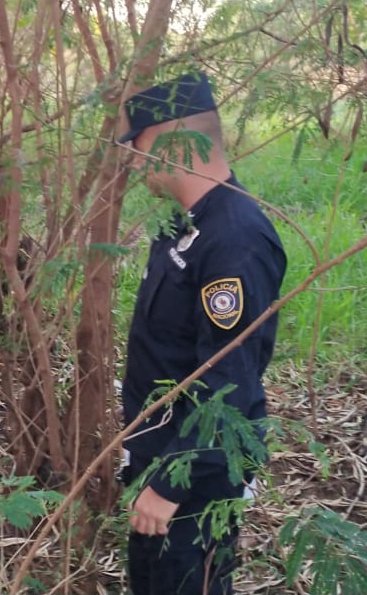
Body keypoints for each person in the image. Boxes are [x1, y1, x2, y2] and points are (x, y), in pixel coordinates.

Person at [116, 72, 287, 595]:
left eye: (139, 145)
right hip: (158, 454)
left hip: (192, 481)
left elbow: (229, 388)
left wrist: (170, 487)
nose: (133, 160)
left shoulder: (235, 240)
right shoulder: (183, 224)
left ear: (173, 143)